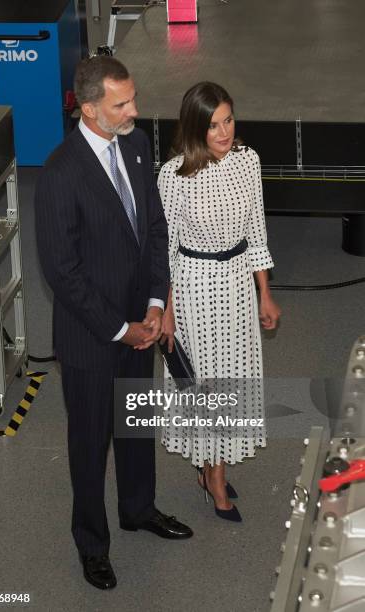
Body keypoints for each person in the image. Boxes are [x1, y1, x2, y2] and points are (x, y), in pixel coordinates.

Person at [34, 56, 192, 591]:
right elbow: (63, 272)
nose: (134, 110)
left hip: (140, 324)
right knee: (89, 442)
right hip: (92, 338)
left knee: (136, 424)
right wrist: (120, 328)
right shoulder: (60, 173)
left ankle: (138, 509)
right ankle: (92, 543)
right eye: (122, 104)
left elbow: (153, 228)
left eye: (133, 99)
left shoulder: (138, 147)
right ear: (89, 106)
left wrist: (154, 303)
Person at [158, 81, 281, 521]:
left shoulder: (249, 163)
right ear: (195, 129)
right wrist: (166, 312)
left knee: (232, 379)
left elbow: (257, 233)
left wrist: (265, 292)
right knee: (206, 385)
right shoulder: (173, 176)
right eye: (213, 125)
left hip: (237, 287)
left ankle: (212, 467)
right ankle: (212, 475)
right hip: (194, 288)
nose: (224, 132)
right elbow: (167, 250)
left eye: (228, 120)